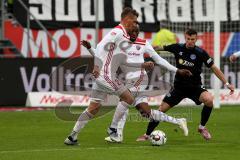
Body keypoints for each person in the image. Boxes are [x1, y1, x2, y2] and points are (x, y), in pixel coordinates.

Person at [81, 26, 192, 143]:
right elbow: (102, 57)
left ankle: (115, 131)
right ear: (127, 32)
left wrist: (177, 70)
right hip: (130, 80)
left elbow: (159, 60)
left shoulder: (143, 43)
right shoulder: (120, 45)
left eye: (137, 32)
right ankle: (179, 121)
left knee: (124, 101)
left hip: (140, 78)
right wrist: (89, 48)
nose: (134, 33)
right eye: (132, 31)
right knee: (145, 112)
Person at [136, 28, 235, 141]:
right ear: (185, 37)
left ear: (196, 39)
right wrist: (146, 49)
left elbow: (214, 68)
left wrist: (226, 83)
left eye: (193, 39)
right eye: (188, 39)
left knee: (209, 100)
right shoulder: (177, 48)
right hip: (179, 88)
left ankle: (202, 127)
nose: (190, 41)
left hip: (195, 87)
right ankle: (147, 135)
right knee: (160, 110)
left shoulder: (201, 53)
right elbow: (159, 48)